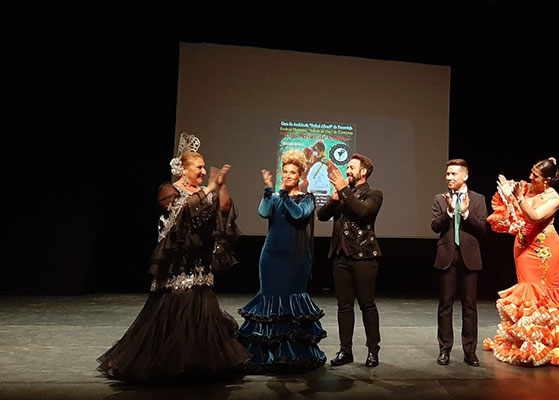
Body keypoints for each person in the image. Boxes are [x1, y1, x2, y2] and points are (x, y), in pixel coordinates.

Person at [97, 132, 250, 382]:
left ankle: (198, 361)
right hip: (176, 261)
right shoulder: (169, 189)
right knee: (174, 306)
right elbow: (182, 210)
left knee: (200, 304)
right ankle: (167, 362)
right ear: (184, 169)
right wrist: (209, 188)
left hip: (199, 260)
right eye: (198, 168)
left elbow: (223, 209)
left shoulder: (204, 189)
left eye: (203, 168)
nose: (202, 172)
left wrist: (220, 186)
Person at [483, 157, 559, 367]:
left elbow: (534, 216)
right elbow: (514, 209)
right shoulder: (527, 188)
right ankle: (524, 344)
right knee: (525, 294)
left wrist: (518, 198)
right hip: (522, 245)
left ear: (546, 180)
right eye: (531, 172)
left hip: (544, 248)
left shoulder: (554, 198)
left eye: (535, 175)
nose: (530, 177)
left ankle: (550, 347)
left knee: (544, 294)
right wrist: (508, 193)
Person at [235, 150, 327, 373]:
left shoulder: (308, 198)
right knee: (270, 301)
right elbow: (263, 212)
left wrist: (284, 196)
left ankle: (292, 353)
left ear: (300, 176)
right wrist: (268, 192)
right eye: (284, 172)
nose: (287, 176)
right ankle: (267, 354)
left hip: (296, 259)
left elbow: (298, 215)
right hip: (271, 257)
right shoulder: (275, 197)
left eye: (292, 172)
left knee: (291, 304)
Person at [317, 154, 383, 367]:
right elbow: (321, 216)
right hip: (340, 256)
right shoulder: (342, 194)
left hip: (364, 258)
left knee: (367, 305)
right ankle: (346, 351)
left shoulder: (374, 194)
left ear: (363, 172)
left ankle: (373, 350)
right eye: (347, 167)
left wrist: (343, 190)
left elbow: (363, 213)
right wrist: (333, 199)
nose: (348, 171)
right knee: (344, 307)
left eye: (352, 167)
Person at [431, 159, 489, 367]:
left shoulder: (478, 199)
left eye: (453, 174)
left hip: (469, 257)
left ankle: (470, 351)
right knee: (445, 306)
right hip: (447, 256)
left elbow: (483, 229)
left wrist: (465, 213)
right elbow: (435, 226)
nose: (449, 178)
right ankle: (444, 349)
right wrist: (448, 212)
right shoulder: (440, 198)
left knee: (469, 307)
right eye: (447, 174)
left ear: (465, 176)